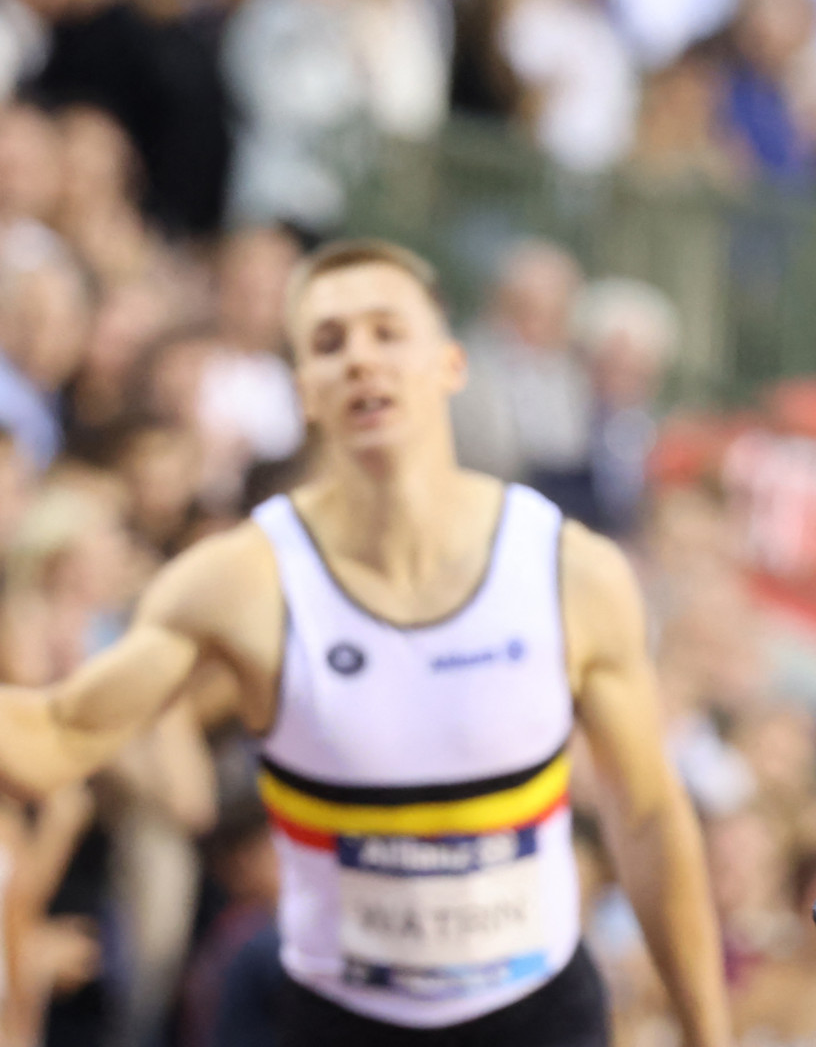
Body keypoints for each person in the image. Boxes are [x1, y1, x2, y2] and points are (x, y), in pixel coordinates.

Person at [0, 239, 729, 1047]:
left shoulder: (569, 570)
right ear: (305, 391)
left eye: (387, 332)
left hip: (534, 1015)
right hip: (333, 1017)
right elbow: (56, 736)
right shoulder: (243, 581)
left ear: (450, 363)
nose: (360, 360)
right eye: (328, 342)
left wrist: (709, 1033)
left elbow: (652, 817)